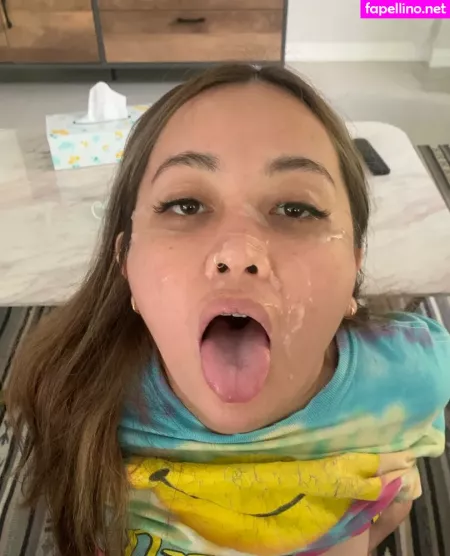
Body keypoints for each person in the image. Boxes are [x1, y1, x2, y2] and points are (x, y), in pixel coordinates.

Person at [5, 64, 450, 556]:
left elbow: (398, 498)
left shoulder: (411, 376)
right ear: (125, 262)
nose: (238, 253)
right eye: (186, 204)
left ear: (354, 269)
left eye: (296, 209)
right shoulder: (76, 394)